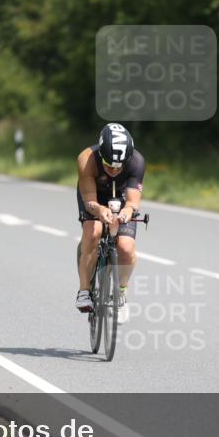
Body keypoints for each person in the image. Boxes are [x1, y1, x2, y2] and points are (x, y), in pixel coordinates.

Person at [75, 123, 145, 322]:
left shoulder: (137, 161)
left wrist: (126, 212)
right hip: (94, 195)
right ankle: (84, 291)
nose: (113, 171)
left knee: (126, 246)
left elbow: (133, 202)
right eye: (107, 166)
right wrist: (100, 209)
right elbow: (89, 200)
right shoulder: (86, 159)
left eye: (118, 167)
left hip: (122, 196)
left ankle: (120, 294)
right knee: (93, 232)